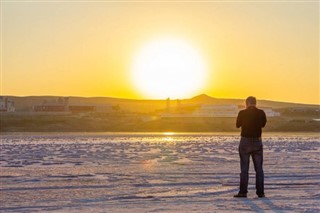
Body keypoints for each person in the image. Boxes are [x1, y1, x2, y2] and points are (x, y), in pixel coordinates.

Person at [234, 96, 267, 198]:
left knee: (244, 169)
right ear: (255, 103)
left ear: (246, 103)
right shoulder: (261, 112)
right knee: (259, 170)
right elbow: (263, 125)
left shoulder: (242, 113)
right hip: (257, 141)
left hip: (245, 141)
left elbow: (237, 125)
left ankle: (243, 192)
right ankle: (260, 192)